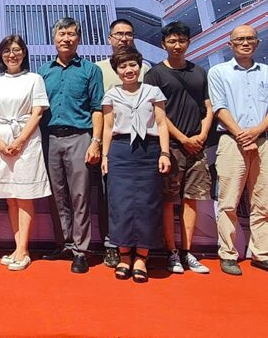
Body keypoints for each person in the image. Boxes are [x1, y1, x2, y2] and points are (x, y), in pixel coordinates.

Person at [208, 25, 268, 277]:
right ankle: (228, 254)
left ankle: (262, 254)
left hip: (265, 141)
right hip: (231, 141)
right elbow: (219, 107)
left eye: (250, 38)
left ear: (257, 42)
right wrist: (242, 135)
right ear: (230, 44)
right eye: (240, 39)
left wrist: (256, 131)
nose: (245, 42)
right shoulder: (218, 72)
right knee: (228, 201)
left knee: (263, 202)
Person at [143, 21, 213, 275]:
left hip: (197, 147)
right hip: (171, 147)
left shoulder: (199, 72)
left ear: (188, 43)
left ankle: (187, 252)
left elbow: (208, 107)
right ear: (163, 44)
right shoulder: (155, 74)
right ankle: (171, 251)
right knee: (168, 200)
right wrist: (183, 138)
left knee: (192, 199)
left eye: (181, 40)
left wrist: (201, 135)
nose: (177, 45)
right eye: (172, 41)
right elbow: (157, 113)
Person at [37, 17, 105, 274]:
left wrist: (95, 142)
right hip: (50, 138)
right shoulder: (43, 71)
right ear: (54, 38)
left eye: (71, 34)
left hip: (80, 137)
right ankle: (63, 244)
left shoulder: (90, 70)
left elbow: (97, 108)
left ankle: (80, 251)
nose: (66, 38)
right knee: (56, 195)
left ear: (79, 39)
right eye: (61, 34)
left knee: (80, 196)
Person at [100, 47, 170, 284]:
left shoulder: (153, 91)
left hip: (148, 150)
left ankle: (141, 257)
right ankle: (124, 255)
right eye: (122, 66)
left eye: (132, 65)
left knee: (147, 204)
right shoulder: (111, 94)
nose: (128, 70)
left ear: (140, 66)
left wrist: (164, 153)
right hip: (121, 151)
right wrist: (105, 157)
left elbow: (161, 124)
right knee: (120, 204)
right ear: (116, 70)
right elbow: (108, 127)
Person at [0, 35, 51, 271]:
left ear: (24, 53)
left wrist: (20, 140)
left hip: (26, 141)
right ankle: (17, 247)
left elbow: (38, 112)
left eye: (16, 50)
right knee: (10, 197)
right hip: (0, 142)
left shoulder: (34, 79)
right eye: (7, 51)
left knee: (24, 195)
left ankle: (23, 249)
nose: (11, 55)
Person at [92, 18, 152, 268]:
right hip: (112, 143)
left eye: (128, 34)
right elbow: (97, 109)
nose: (124, 38)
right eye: (118, 34)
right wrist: (98, 143)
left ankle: (141, 249)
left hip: (142, 145)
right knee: (111, 197)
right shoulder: (98, 68)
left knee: (141, 198)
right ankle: (112, 245)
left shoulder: (146, 69)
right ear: (109, 39)